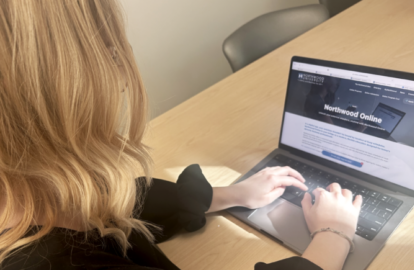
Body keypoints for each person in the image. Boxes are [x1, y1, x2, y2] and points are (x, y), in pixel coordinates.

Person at [0, 1, 362, 270]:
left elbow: (114, 203)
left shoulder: (35, 189)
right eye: (107, 51)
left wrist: (232, 194)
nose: (121, 70)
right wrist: (334, 235)